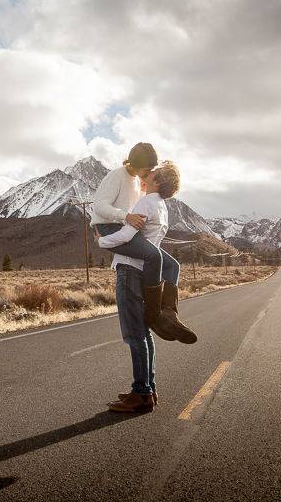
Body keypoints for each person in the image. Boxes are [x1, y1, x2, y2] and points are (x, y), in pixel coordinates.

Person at [98, 162, 187, 412]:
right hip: (143, 272)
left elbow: (126, 236)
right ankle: (147, 387)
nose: (144, 176)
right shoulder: (162, 207)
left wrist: (102, 240)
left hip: (129, 270)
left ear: (158, 181)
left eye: (150, 173)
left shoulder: (146, 202)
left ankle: (142, 394)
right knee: (143, 333)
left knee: (133, 334)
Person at [90, 143, 185, 341]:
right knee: (153, 255)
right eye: (148, 169)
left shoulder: (138, 182)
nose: (149, 172)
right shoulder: (116, 176)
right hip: (109, 227)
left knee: (172, 265)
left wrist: (145, 193)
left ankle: (169, 314)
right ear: (135, 164)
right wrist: (125, 217)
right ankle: (154, 314)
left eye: (153, 170)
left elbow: (142, 210)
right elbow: (99, 206)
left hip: (125, 227)